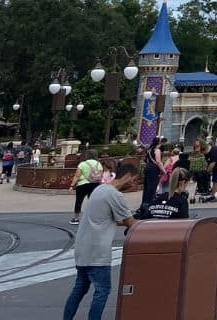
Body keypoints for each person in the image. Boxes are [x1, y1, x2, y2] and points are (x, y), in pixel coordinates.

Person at [62, 161, 138, 320]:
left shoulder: (100, 189)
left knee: (80, 288)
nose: (134, 184)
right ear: (128, 176)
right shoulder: (115, 195)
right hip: (98, 253)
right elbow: (131, 223)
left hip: (82, 249)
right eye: (134, 180)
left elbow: (107, 219)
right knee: (102, 290)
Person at [68, 150, 104, 225]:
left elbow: (77, 176)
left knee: (79, 201)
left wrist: (72, 185)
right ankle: (94, 218)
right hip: (95, 184)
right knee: (93, 202)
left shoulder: (82, 164)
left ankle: (76, 218)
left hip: (82, 184)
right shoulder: (99, 164)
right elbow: (100, 175)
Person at [141, 137, 164, 207]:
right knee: (152, 187)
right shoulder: (157, 150)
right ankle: (150, 203)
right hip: (154, 169)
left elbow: (145, 160)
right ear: (159, 142)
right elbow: (158, 162)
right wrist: (163, 170)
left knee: (147, 187)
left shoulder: (149, 149)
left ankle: (144, 203)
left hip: (148, 168)